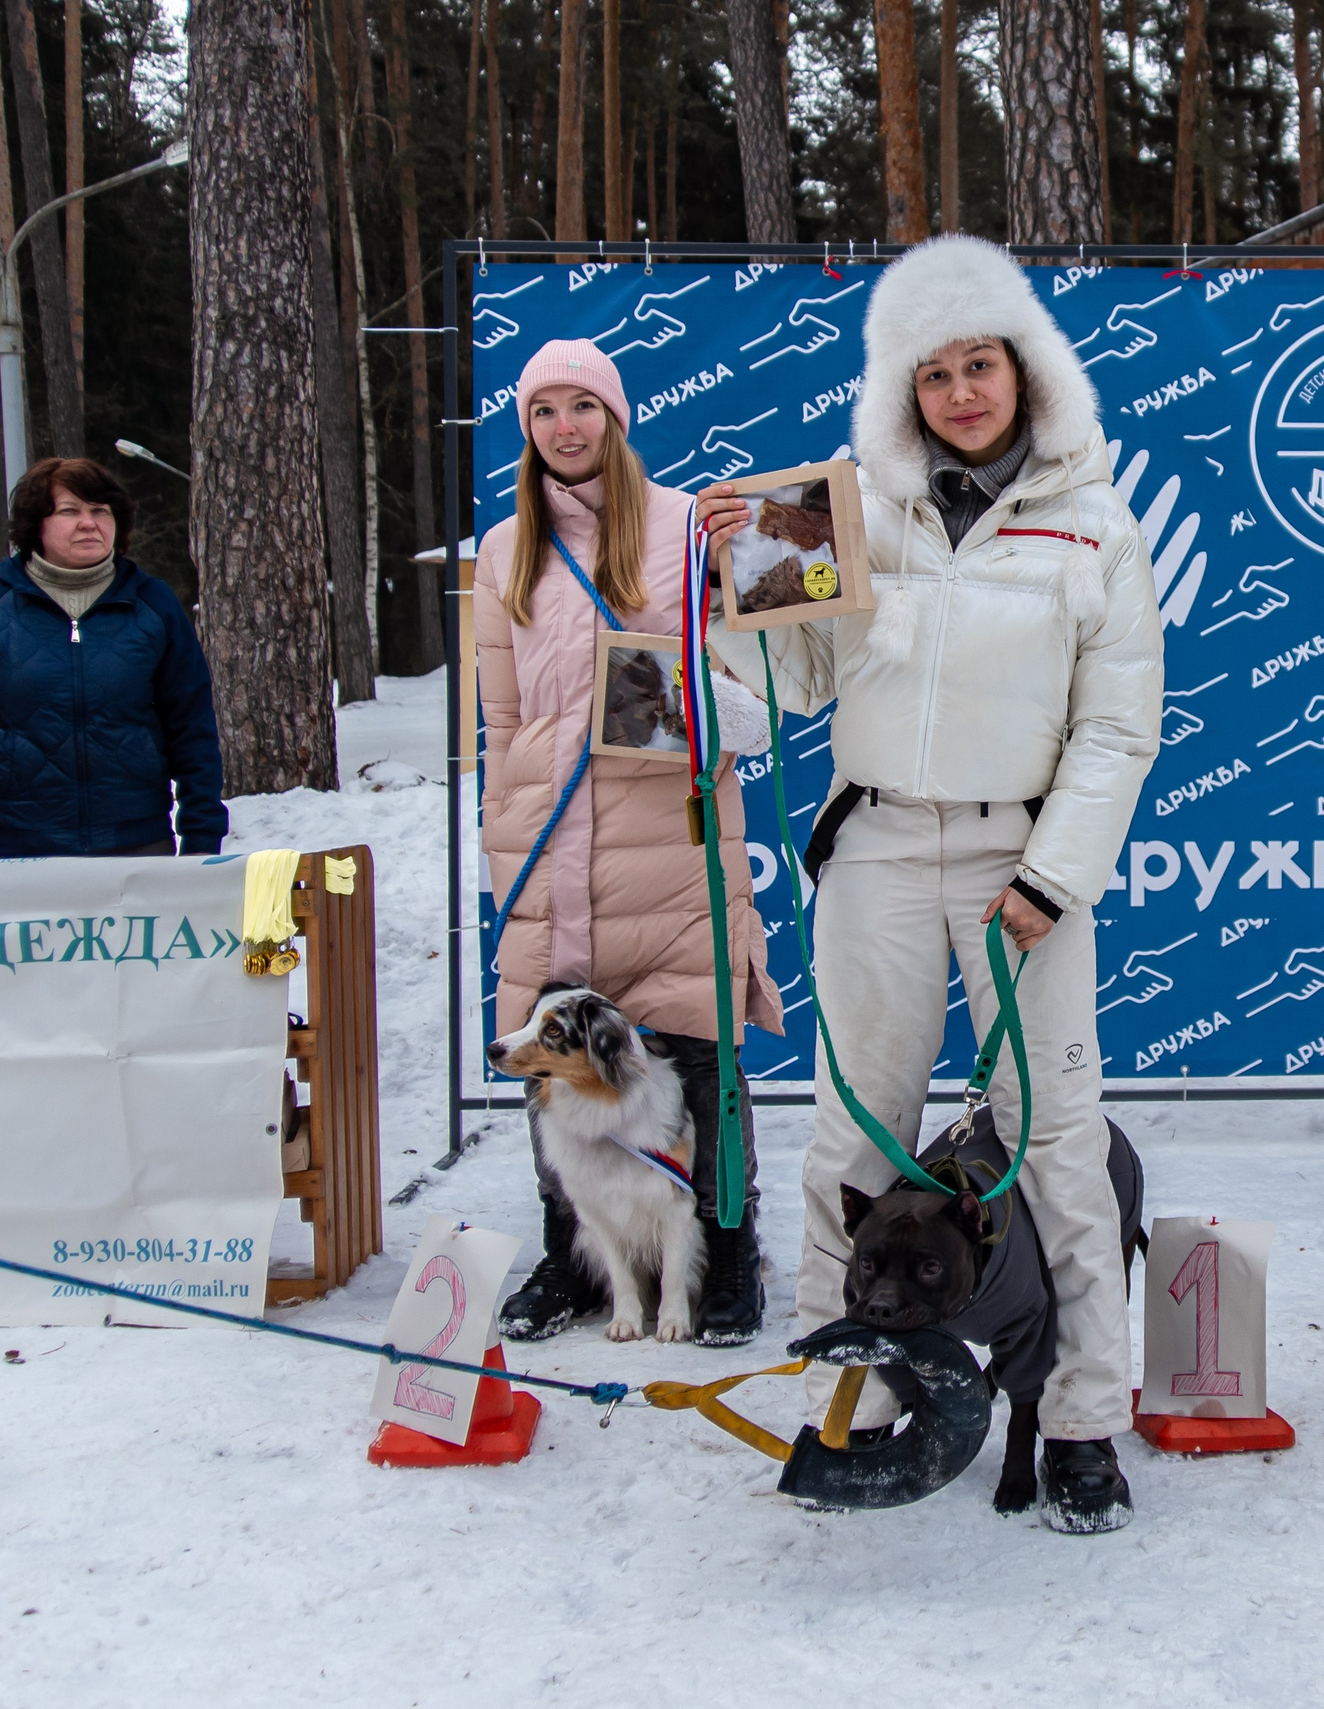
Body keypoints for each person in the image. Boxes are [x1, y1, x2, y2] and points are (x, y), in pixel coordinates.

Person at [699, 235, 1163, 1533]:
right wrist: (746, 572)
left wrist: (1052, 877)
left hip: (1022, 855)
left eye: (981, 364)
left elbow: (1120, 729)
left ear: (1025, 371)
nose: (960, 390)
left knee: (1054, 1138)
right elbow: (799, 688)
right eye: (934, 370)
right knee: (856, 1129)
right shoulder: (845, 503)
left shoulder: (1095, 521)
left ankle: (1078, 1425)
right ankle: (851, 1393)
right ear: (903, 385)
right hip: (884, 845)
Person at [478, 339, 785, 1348]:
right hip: (550, 853)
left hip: (669, 843)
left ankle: (728, 1256)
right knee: (555, 1069)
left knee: (698, 1060)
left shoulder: (690, 523)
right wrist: (504, 841)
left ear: (615, 416)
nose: (564, 427)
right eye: (542, 411)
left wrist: (755, 550)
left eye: (582, 406)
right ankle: (576, 1257)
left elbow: (760, 692)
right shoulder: (501, 549)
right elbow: (501, 720)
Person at [0, 457, 224, 860]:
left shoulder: (154, 605)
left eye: (100, 510)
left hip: (136, 848)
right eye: (69, 510)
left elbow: (193, 729)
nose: (88, 522)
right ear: (35, 525)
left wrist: (202, 839)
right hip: (10, 851)